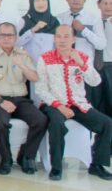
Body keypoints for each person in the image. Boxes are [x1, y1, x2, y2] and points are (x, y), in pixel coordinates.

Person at [36, 25, 112, 181]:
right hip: (54, 104)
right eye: (59, 36)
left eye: (66, 36)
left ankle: (97, 165)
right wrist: (59, 106)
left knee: (107, 124)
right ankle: (56, 168)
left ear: (73, 39)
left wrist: (81, 64)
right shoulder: (45, 58)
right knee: (56, 124)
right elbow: (41, 89)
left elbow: (95, 81)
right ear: (54, 39)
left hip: (78, 104)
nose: (62, 40)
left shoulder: (82, 57)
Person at [0, 22, 47, 175]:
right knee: (1, 123)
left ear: (16, 37)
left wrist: (22, 65)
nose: (6, 38)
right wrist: (1, 101)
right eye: (3, 35)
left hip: (21, 99)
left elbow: (35, 77)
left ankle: (27, 156)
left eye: (10, 35)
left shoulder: (23, 55)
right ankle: (6, 159)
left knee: (41, 120)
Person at [57, 0, 107, 109]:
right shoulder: (59, 19)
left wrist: (84, 30)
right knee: (66, 108)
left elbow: (101, 45)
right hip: (63, 71)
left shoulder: (94, 19)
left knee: (87, 108)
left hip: (84, 71)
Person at [17, 0, 60, 65]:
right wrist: (33, 30)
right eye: (37, 0)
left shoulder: (55, 21)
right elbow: (16, 43)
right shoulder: (24, 20)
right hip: (29, 66)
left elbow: (60, 45)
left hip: (50, 66)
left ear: (47, 1)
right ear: (31, 3)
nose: (41, 3)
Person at [96, 0, 112, 123]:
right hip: (96, 67)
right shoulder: (94, 22)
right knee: (97, 104)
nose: (108, 7)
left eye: (111, 3)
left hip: (110, 67)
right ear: (98, 4)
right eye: (105, 3)